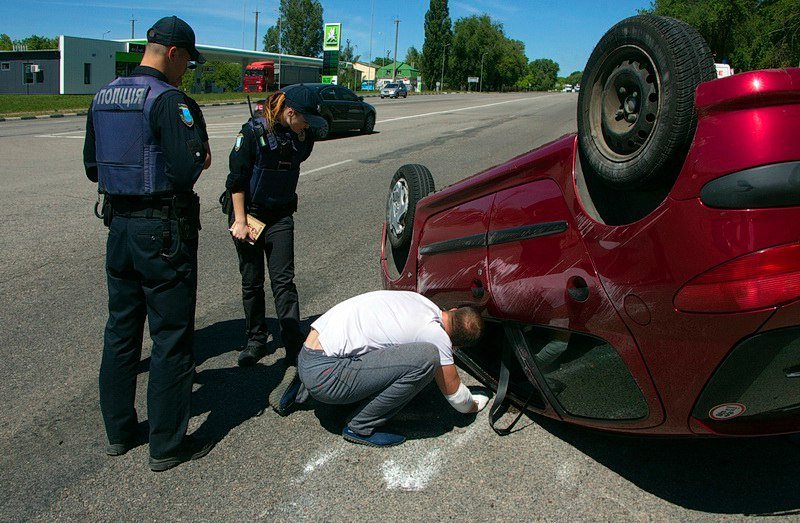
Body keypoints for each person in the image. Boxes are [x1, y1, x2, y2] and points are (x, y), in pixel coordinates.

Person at [83, 15, 213, 472]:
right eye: (187, 61)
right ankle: (166, 444)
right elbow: (185, 168)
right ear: (172, 53)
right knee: (171, 337)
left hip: (118, 227)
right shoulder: (169, 100)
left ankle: (119, 432)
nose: (186, 71)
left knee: (120, 330)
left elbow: (92, 167)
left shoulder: (103, 96)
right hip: (162, 231)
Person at [225, 84, 325, 415]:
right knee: (252, 280)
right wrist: (240, 221)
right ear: (291, 113)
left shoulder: (301, 136)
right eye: (305, 120)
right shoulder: (252, 133)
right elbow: (236, 180)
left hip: (281, 213)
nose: (308, 126)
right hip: (248, 214)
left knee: (283, 280)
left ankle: (293, 342)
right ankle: (255, 340)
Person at [294, 290, 490, 447]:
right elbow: (456, 397)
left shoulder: (421, 302)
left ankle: (299, 389)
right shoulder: (437, 336)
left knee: (379, 342)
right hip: (325, 376)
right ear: (456, 346)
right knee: (427, 359)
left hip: (307, 352)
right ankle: (361, 425)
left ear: (454, 309)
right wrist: (474, 403)